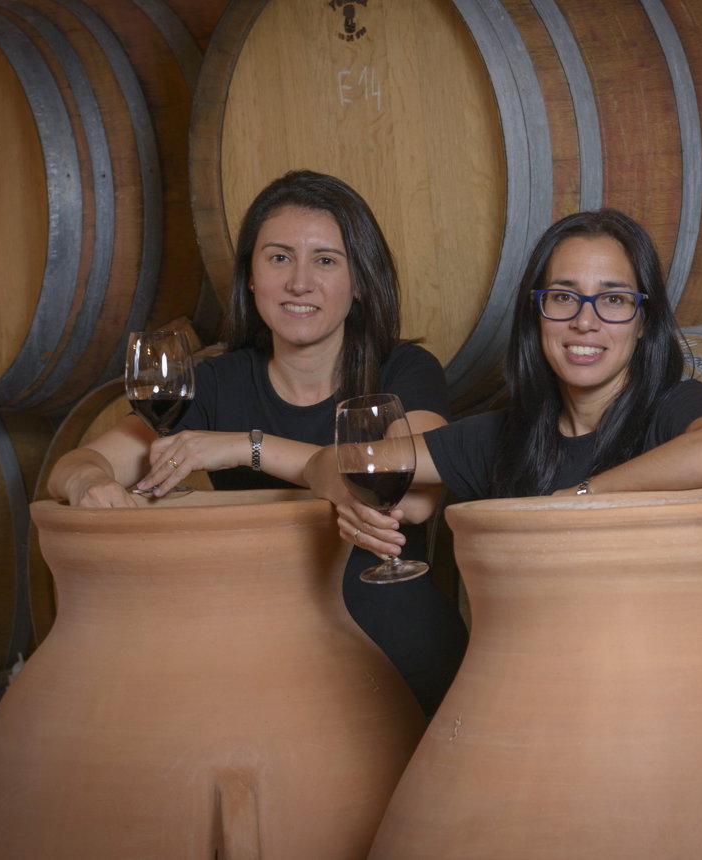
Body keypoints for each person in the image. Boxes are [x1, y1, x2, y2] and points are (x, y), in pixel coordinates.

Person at [47, 169, 468, 716]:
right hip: (261, 665)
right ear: (250, 276)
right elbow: (78, 464)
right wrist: (90, 482)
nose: (299, 283)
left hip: (400, 658)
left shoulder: (405, 370)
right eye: (278, 258)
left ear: (359, 280)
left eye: (325, 260)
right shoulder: (216, 381)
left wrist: (246, 447)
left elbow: (411, 499)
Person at [308, 208, 702, 556]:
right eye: (563, 297)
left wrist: (578, 497)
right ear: (535, 314)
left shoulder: (673, 407)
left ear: (644, 322)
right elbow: (338, 459)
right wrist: (346, 498)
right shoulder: (502, 436)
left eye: (613, 300)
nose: (585, 321)